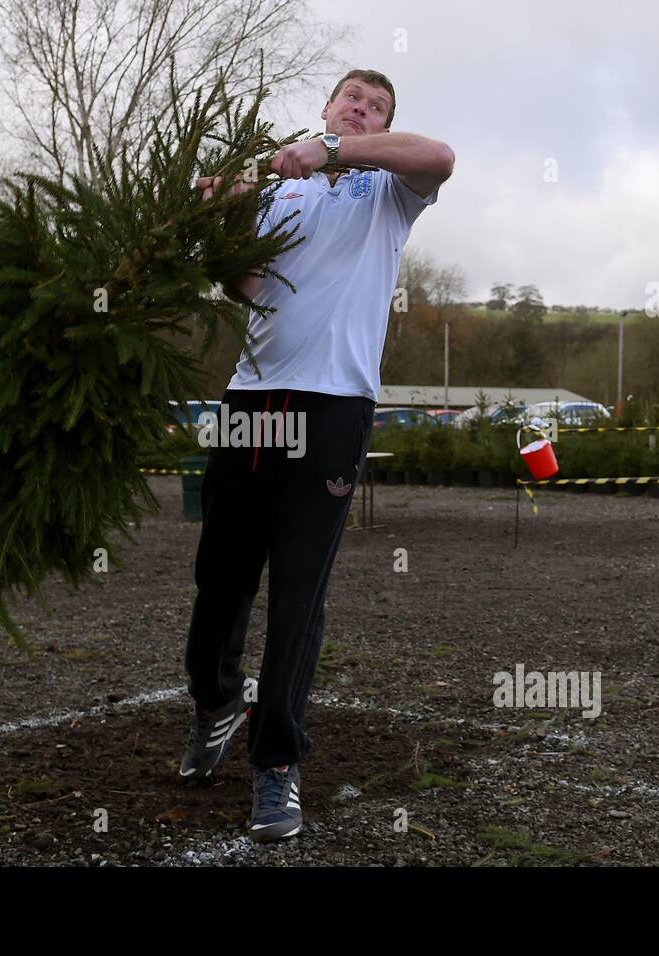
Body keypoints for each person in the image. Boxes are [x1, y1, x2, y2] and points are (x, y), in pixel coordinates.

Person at [180, 69, 454, 843]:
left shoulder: (389, 193)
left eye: (375, 108)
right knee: (219, 579)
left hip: (334, 408)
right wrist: (217, 220)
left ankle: (276, 767)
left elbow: (440, 157)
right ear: (326, 104)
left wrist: (337, 147)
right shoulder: (279, 188)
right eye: (349, 102)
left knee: (298, 595)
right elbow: (250, 281)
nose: (360, 110)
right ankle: (215, 701)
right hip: (251, 403)